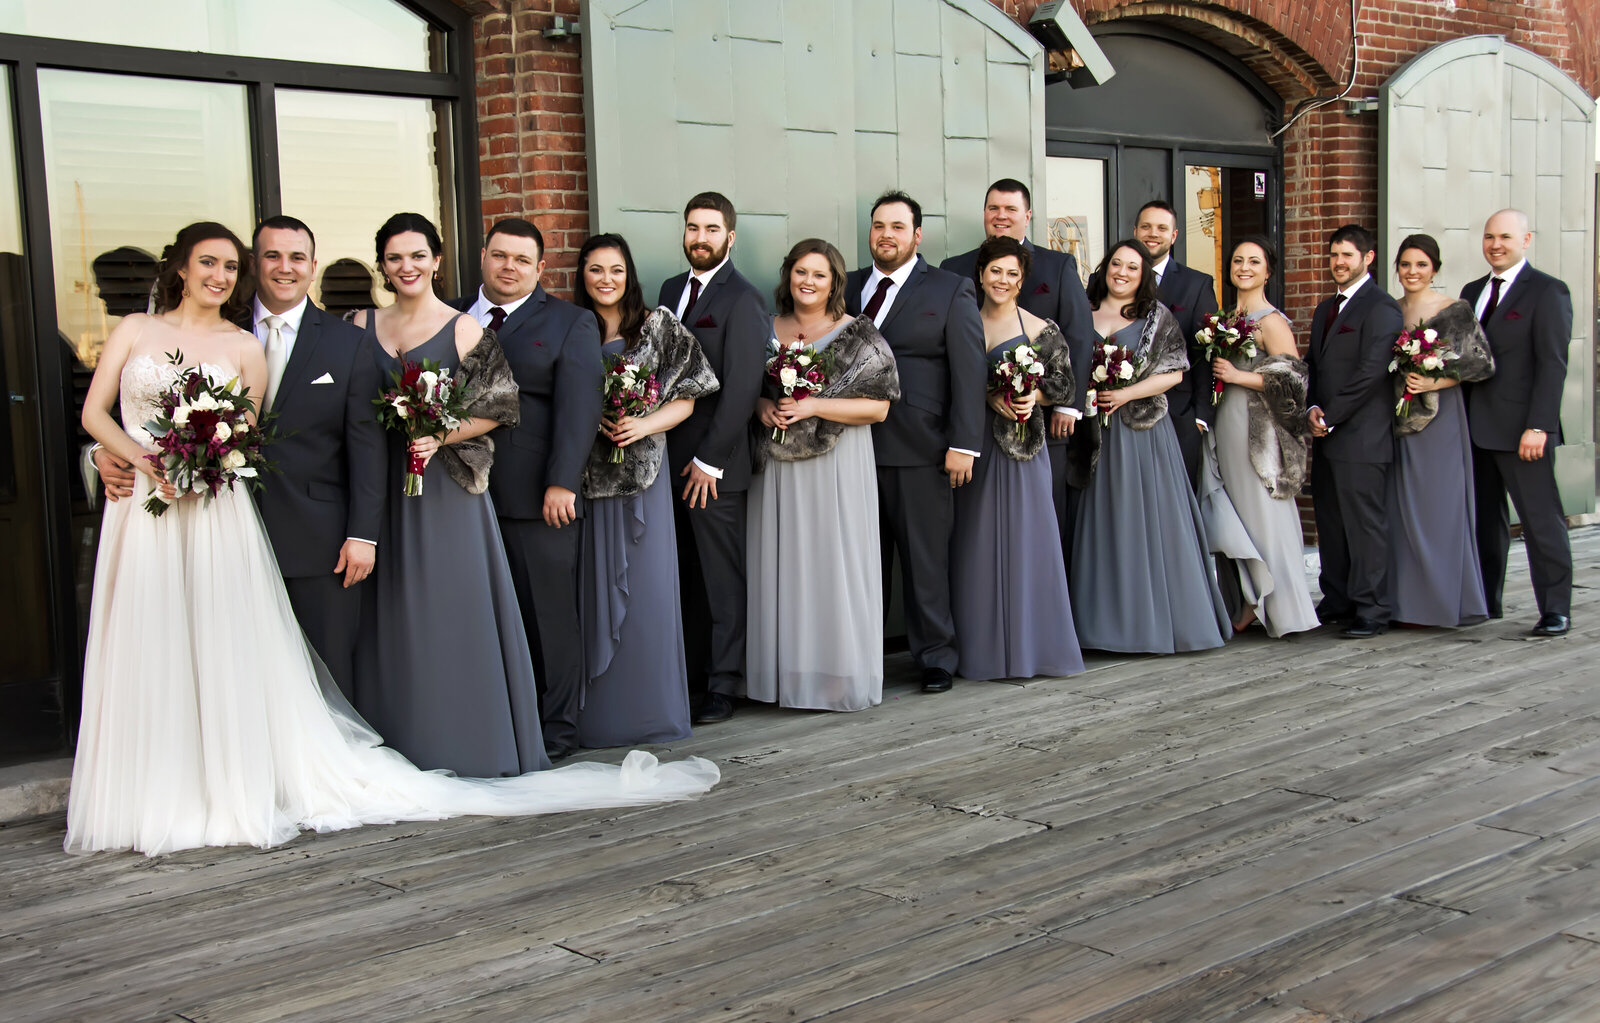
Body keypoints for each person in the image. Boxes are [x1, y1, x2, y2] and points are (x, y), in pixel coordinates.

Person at [68, 221, 717, 857]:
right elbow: (121, 414)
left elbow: (503, 404)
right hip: (177, 513)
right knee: (159, 642)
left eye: (236, 264)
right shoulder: (254, 328)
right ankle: (157, 782)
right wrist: (111, 454)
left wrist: (473, 454)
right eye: (250, 259)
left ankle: (532, 731)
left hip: (339, 507)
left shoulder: (332, 337)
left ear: (436, 260)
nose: (242, 272)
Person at [95, 216, 386, 701]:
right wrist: (104, 452)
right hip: (199, 523)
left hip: (312, 534)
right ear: (255, 264)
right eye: (272, 256)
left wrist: (363, 534)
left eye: (297, 258)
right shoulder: (205, 324)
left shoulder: (347, 343)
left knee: (323, 681)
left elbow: (366, 444)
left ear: (313, 267)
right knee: (197, 660)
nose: (284, 268)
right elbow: (129, 411)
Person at [352, 213, 546, 776]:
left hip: (446, 491)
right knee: (386, 615)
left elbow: (502, 407)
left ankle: (465, 741)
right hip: (377, 490)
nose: (406, 267)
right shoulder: (357, 323)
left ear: (437, 261)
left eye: (417, 256)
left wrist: (437, 433)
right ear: (383, 266)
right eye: (394, 258)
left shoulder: (464, 330)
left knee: (448, 612)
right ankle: (394, 742)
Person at [454, 218, 602, 761]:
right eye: (500, 256)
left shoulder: (570, 322)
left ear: (540, 268)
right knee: (471, 611)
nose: (509, 267)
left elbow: (579, 409)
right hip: (453, 496)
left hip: (536, 496)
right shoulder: (448, 315)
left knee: (547, 615)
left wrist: (562, 482)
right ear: (484, 258)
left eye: (522, 260)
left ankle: (556, 726)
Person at [575, 234, 719, 746]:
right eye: (595, 270)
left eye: (615, 270)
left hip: (644, 479)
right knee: (594, 591)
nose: (605, 280)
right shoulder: (573, 328)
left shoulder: (658, 326)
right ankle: (598, 716)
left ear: (628, 274)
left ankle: (651, 711)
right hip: (588, 479)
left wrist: (645, 424)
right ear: (582, 275)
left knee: (648, 592)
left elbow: (693, 393)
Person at [747, 239, 899, 710]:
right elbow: (747, 387)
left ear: (834, 281)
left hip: (838, 464)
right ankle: (786, 673)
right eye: (799, 272)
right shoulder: (765, 328)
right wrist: (763, 404)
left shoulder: (858, 333)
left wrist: (813, 404)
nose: (807, 282)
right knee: (785, 563)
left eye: (818, 274)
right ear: (787, 276)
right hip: (777, 466)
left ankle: (838, 674)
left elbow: (878, 409)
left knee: (832, 562)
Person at [846, 190, 986, 693]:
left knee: (925, 561)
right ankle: (868, 656)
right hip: (852, 446)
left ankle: (935, 657)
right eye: (878, 225)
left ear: (917, 235)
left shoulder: (950, 289)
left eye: (897, 227)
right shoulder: (848, 286)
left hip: (923, 450)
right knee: (865, 560)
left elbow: (970, 372)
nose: (886, 235)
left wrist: (964, 443)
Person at [1069, 239, 1229, 653]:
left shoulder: (1155, 317)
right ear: (1105, 268)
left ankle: (1154, 622)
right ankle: (1103, 625)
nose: (1122, 272)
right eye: (1116, 264)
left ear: (1143, 278)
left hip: (1140, 433)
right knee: (1103, 521)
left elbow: (1175, 373)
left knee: (1144, 521)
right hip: (1092, 434)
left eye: (1132, 268)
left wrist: (1126, 394)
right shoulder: (1078, 312)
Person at [942, 178, 1095, 572]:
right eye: (994, 208)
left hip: (1038, 421)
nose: (1001, 216)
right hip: (976, 427)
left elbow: (1077, 335)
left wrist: (1067, 406)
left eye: (1011, 209)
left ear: (1027, 215)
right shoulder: (954, 269)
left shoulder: (1057, 265)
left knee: (1040, 522)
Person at [950, 236, 1084, 679]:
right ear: (981, 274)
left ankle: (1033, 649)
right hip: (975, 449)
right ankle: (980, 651)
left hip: (1024, 448)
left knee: (1030, 542)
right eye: (995, 271)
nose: (1002, 280)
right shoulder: (962, 319)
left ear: (1022, 280)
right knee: (975, 543)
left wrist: (1035, 397)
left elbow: (1064, 383)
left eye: (1012, 274)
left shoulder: (1039, 329)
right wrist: (988, 396)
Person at [657, 192, 768, 725]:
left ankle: (724, 685)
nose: (700, 238)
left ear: (730, 236)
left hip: (714, 468)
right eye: (692, 228)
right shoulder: (670, 291)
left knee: (722, 581)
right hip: (666, 460)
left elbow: (743, 389)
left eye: (711, 229)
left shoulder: (743, 299)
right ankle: (692, 675)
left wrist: (710, 461)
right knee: (684, 576)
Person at [1462, 209, 1574, 636]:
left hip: (1524, 432)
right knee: (1485, 522)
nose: (1496, 245)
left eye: (1505, 237)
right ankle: (1487, 602)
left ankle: (1556, 609)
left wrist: (1540, 426)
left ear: (1526, 239)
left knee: (1541, 521)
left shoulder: (1548, 292)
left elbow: (1552, 365)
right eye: (1489, 237)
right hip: (1475, 428)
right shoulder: (1472, 291)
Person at [1205, 237, 1318, 638]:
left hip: (1258, 430)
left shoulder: (1272, 321)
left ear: (1268, 270)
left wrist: (1238, 376)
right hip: (1226, 424)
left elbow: (1294, 382)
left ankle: (1280, 604)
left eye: (1254, 261)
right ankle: (1250, 599)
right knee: (1236, 514)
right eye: (1238, 261)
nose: (1244, 267)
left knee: (1264, 514)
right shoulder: (1225, 317)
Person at [1385, 234, 1495, 628]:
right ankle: (1406, 603)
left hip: (1440, 420)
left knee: (1439, 508)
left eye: (1421, 265)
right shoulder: (1389, 309)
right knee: (1401, 509)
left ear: (1435, 269)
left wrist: (1435, 383)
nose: (1412, 272)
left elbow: (1480, 364)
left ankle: (1447, 600)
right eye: (1405, 264)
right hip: (1396, 419)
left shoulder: (1454, 309)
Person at [1306, 224, 1405, 639]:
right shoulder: (1324, 307)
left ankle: (1372, 608)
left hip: (1362, 436)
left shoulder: (1381, 308)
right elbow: (1313, 363)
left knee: (1365, 526)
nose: (1338, 262)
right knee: (1330, 521)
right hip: (1325, 434)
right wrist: (1312, 407)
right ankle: (1338, 598)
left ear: (1367, 258)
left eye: (1347, 255)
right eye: (1334, 255)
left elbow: (1370, 373)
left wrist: (1331, 414)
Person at [1134, 199, 1220, 488]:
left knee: (1177, 502)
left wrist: (1201, 417)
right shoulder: (1111, 278)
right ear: (1135, 231)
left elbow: (1205, 352)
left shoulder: (1197, 284)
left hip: (1179, 414)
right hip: (1121, 414)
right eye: (1146, 226)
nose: (1152, 233)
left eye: (1161, 228)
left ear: (1174, 236)